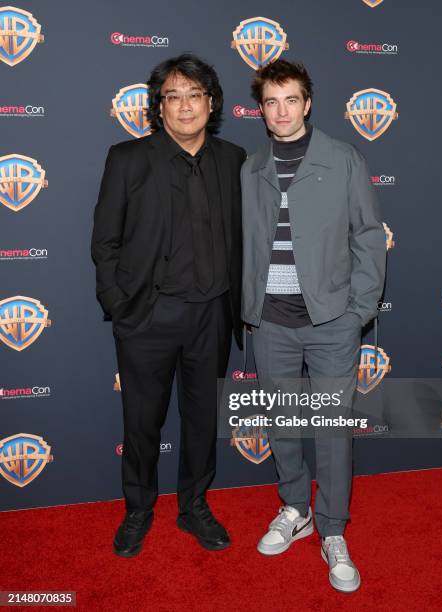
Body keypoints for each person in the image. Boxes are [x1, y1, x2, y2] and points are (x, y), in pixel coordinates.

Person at [241, 59, 386, 592]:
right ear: (261, 109)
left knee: (329, 430)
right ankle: (295, 508)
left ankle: (332, 530)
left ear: (308, 103)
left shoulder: (342, 159)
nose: (281, 111)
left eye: (291, 100)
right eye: (271, 102)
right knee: (282, 423)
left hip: (330, 322)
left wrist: (357, 312)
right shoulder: (250, 168)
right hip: (272, 322)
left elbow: (369, 237)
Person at [91, 54, 246, 557]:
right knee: (141, 422)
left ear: (212, 102)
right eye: (173, 96)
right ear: (158, 107)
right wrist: (119, 304)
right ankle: (138, 509)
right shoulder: (127, 159)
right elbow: (105, 242)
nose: (184, 106)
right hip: (148, 316)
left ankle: (194, 506)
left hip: (212, 315)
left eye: (194, 95)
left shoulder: (235, 159)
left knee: (203, 421)